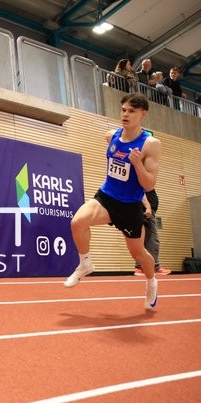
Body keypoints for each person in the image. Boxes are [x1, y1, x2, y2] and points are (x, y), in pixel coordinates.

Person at [63, 93, 161, 311]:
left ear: (143, 114)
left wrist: (137, 164)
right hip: (107, 196)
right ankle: (85, 263)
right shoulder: (111, 136)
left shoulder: (151, 144)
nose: (125, 114)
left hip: (130, 206)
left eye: (132, 111)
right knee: (77, 222)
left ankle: (151, 282)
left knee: (139, 254)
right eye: (124, 110)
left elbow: (149, 184)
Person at [133, 189, 171, 276]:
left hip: (140, 209)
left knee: (142, 240)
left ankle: (139, 267)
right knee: (152, 239)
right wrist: (148, 207)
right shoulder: (143, 178)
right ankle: (154, 267)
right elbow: (140, 190)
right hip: (146, 211)